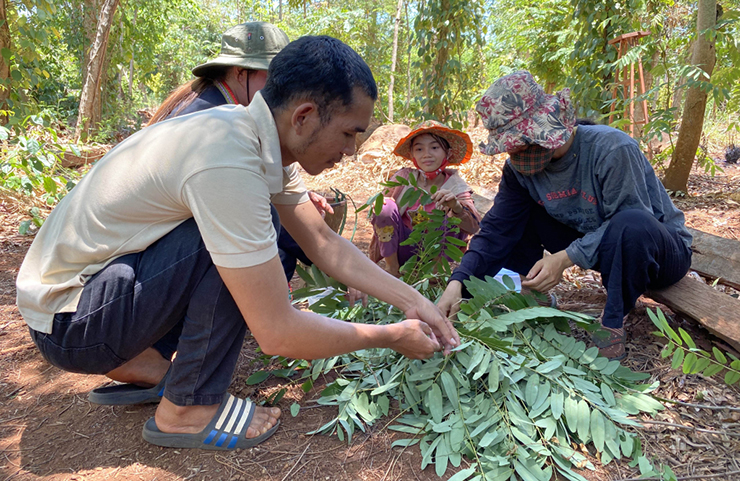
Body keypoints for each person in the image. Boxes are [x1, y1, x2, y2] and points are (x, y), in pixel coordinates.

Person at [16, 35, 459, 451]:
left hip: (94, 299)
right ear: (303, 116)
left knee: (253, 230)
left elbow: (322, 240)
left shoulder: (252, 134)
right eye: (348, 133)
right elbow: (277, 330)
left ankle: (142, 358)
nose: (352, 149)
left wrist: (413, 300)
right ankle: (187, 409)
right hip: (71, 323)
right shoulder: (227, 160)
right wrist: (389, 336)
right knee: (253, 228)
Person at [437, 71, 692, 360]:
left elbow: (633, 222)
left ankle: (613, 321)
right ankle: (532, 292)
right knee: (518, 216)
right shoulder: (520, 172)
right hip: (599, 247)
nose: (514, 153)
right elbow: (497, 230)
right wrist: (458, 283)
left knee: (629, 223)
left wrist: (565, 257)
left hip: (657, 254)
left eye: (519, 142)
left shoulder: (611, 149)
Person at [148, 21, 330, 282]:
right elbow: (239, 200)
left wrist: (298, 209)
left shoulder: (216, 104)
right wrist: (314, 249)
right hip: (162, 254)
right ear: (240, 73)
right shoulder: (215, 123)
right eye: (274, 77)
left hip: (162, 251)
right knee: (271, 246)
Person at [369, 121, 482, 276]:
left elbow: (474, 226)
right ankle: (392, 269)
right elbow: (379, 213)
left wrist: (456, 206)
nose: (426, 154)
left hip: (437, 251)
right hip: (404, 246)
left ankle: (434, 274)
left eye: (434, 148)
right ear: (412, 155)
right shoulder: (404, 178)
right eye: (419, 149)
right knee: (384, 206)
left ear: (447, 153)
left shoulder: (456, 186)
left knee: (451, 217)